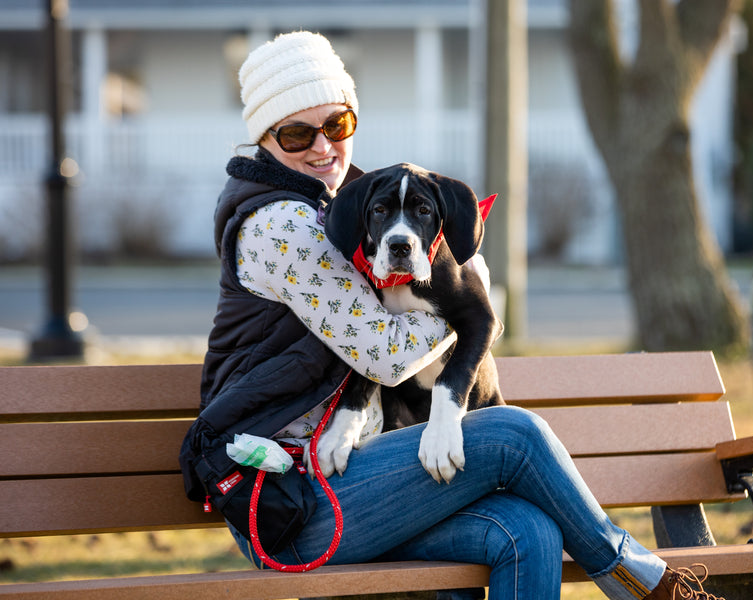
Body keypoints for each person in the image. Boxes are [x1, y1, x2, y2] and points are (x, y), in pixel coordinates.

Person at [179, 30, 724, 600]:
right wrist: (474, 290)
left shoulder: (341, 204)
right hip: (290, 503)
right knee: (515, 432)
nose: (323, 147)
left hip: (355, 474)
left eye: (337, 125)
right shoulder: (281, 227)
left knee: (529, 532)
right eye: (296, 133)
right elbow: (385, 354)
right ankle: (648, 583)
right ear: (264, 141)